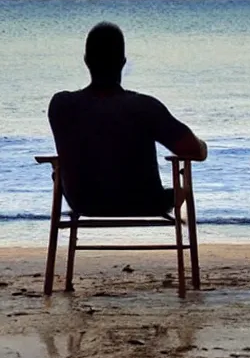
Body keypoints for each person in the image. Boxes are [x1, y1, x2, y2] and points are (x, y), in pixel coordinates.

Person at [48, 22, 207, 217]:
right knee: (181, 189)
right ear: (122, 62)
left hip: (84, 202)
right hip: (145, 202)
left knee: (58, 174)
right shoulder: (145, 107)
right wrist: (203, 146)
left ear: (86, 61)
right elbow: (192, 150)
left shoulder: (61, 105)